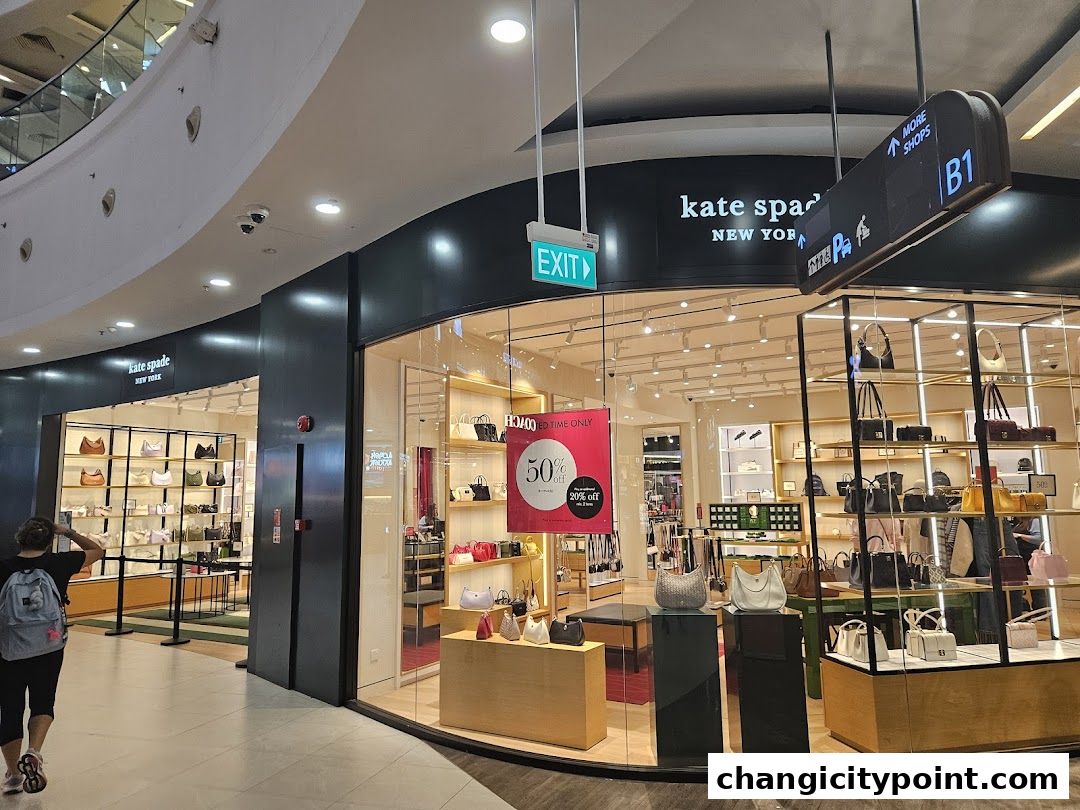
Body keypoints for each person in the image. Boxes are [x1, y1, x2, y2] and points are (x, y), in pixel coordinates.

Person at [0, 518, 103, 794]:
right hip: (49, 647)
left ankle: (12, 775)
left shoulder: (3, 567)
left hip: (9, 650)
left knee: (10, 709)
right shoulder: (60, 563)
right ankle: (34, 752)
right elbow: (98, 551)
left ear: (19, 539)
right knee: (43, 702)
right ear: (48, 543)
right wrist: (67, 531)